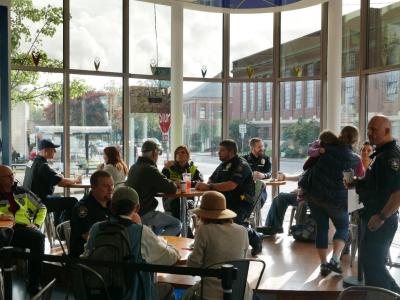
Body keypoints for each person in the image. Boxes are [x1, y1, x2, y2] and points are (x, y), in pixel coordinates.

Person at [84, 186, 180, 299]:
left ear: (111, 207)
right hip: (134, 295)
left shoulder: (96, 228)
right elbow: (169, 258)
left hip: (100, 293)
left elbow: (86, 256)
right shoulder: (141, 232)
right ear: (137, 208)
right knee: (167, 288)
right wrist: (170, 247)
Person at [347, 115, 400, 293]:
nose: (370, 133)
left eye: (374, 129)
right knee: (373, 266)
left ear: (387, 131)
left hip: (381, 221)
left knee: (374, 267)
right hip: (372, 217)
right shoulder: (380, 154)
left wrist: (382, 216)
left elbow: (397, 193)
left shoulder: (391, 157)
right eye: (368, 129)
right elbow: (376, 184)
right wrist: (357, 183)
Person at [308, 126, 364, 276]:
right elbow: (359, 181)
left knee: (322, 227)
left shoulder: (325, 150)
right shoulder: (355, 159)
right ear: (355, 140)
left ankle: (323, 265)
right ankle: (334, 259)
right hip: (337, 202)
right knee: (343, 227)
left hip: (316, 196)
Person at [195, 139, 262, 256]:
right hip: (225, 202)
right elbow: (211, 179)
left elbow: (231, 185)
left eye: (221, 150)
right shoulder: (223, 165)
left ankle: (256, 238)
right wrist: (208, 185)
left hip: (241, 202)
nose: (218, 152)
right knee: (208, 217)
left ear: (230, 152)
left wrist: (209, 187)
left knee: (232, 224)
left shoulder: (241, 165)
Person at [183, 191, 251, 300]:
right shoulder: (242, 230)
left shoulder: (204, 230)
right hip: (239, 293)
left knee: (185, 296)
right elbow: (242, 260)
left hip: (210, 294)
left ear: (203, 214)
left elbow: (193, 266)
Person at [0, 165, 47, 295]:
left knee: (38, 238)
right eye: (7, 176)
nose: (12, 178)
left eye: (12, 175)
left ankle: (34, 284)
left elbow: (41, 207)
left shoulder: (22, 192)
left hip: (20, 228)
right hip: (2, 228)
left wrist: (36, 224)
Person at [126, 139, 182, 236]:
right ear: (154, 153)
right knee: (177, 224)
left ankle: (152, 241)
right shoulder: (149, 169)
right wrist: (176, 183)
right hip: (144, 212)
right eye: (158, 153)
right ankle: (158, 244)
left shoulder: (134, 167)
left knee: (159, 225)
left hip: (132, 211)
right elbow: (170, 188)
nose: (158, 156)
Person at [24, 139, 80, 225]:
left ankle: (58, 226)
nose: (55, 151)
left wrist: (59, 177)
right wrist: (76, 180)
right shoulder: (43, 166)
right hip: (39, 202)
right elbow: (61, 182)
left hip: (29, 200)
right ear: (45, 150)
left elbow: (54, 177)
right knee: (73, 201)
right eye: (53, 149)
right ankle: (63, 230)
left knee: (59, 200)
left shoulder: (31, 162)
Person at [70, 170, 114, 258]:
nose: (111, 189)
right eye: (106, 186)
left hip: (107, 250)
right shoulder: (83, 208)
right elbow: (89, 237)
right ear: (93, 187)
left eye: (112, 185)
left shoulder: (111, 203)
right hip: (87, 256)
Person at [161, 145, 203, 220]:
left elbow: (200, 182)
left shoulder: (192, 168)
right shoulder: (169, 168)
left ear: (187, 156)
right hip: (171, 201)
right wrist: (174, 183)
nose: (179, 154)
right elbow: (161, 182)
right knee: (178, 207)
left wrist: (185, 183)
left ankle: (184, 228)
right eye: (177, 153)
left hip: (188, 200)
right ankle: (183, 228)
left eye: (183, 152)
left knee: (187, 209)